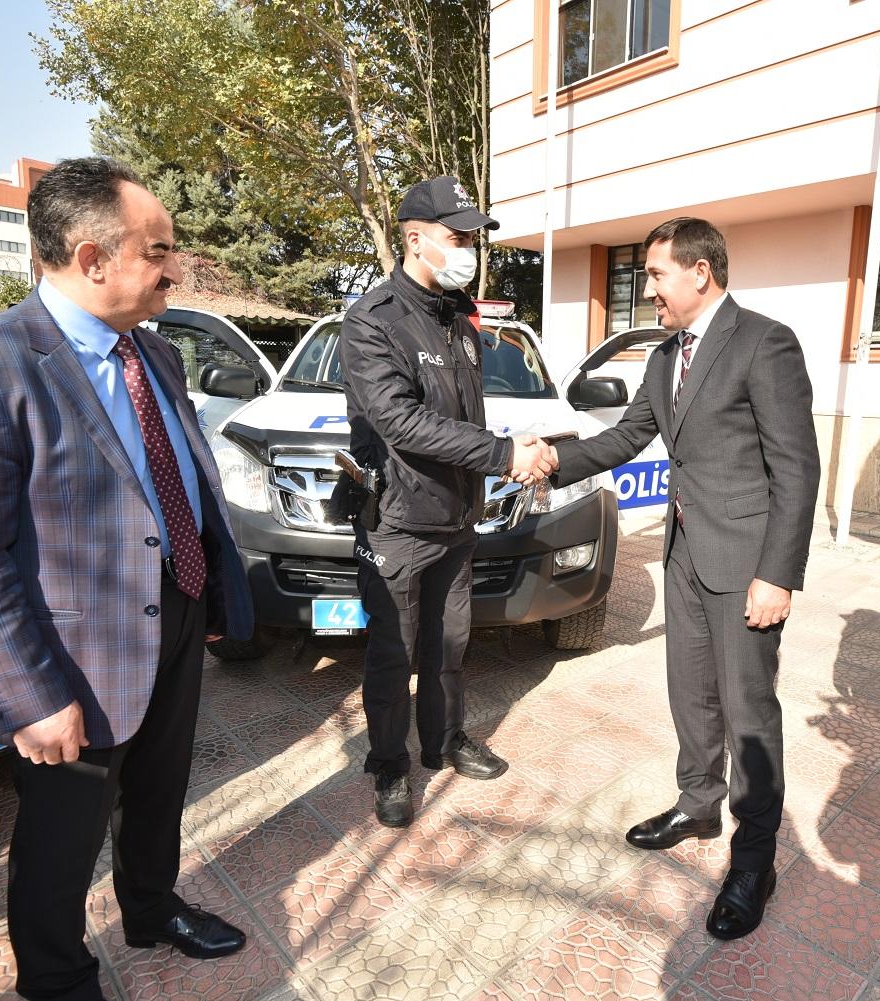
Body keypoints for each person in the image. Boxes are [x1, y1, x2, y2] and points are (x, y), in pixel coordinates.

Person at [0, 157, 255, 1001]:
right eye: (159, 250)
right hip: (69, 656)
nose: (176, 269)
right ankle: (57, 977)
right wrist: (27, 692)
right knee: (61, 835)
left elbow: (178, 482)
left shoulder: (156, 354)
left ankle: (151, 907)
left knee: (160, 792)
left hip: (175, 609)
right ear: (93, 258)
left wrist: (206, 592)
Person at [548, 217, 820, 940]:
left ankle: (754, 860)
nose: (649, 290)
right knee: (691, 695)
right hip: (685, 556)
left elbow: (797, 468)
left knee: (748, 713)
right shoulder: (666, 355)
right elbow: (626, 436)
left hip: (746, 566)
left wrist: (777, 574)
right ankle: (698, 805)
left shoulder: (765, 342)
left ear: (701, 272)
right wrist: (550, 458)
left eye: (657, 274)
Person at [338, 175, 555, 828]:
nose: (468, 249)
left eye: (471, 238)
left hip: (457, 517)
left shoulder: (459, 316)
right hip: (398, 522)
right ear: (414, 239)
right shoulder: (372, 320)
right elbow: (401, 422)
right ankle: (389, 764)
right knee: (392, 653)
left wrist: (508, 458)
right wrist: (503, 454)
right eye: (457, 237)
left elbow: (462, 416)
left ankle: (444, 740)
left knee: (450, 644)